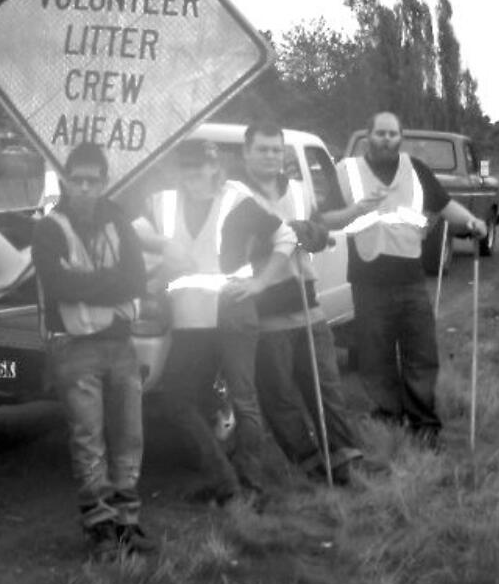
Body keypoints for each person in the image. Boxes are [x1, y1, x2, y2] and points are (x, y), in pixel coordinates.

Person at [133, 138, 296, 503]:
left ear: (215, 167)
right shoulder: (164, 202)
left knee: (243, 400)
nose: (193, 173)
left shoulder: (236, 200)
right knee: (178, 400)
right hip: (190, 318)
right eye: (186, 167)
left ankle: (251, 486)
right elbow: (133, 231)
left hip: (233, 312)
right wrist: (162, 243)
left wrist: (262, 282)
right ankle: (226, 480)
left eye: (200, 165)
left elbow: (285, 236)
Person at [321, 111, 487, 449]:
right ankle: (389, 416)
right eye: (380, 133)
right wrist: (355, 211)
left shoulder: (416, 169)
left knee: (421, 354)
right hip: (368, 281)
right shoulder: (346, 172)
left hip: (411, 279)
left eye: (392, 133)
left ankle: (423, 423)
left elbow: (443, 205)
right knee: (375, 355)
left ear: (400, 137)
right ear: (368, 135)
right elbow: (325, 218)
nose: (386, 139)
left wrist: (471, 222)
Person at [32, 143, 153, 559]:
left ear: (104, 183)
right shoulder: (49, 229)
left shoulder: (118, 221)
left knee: (129, 435)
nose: (84, 187)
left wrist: (86, 282)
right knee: (89, 438)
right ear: (66, 181)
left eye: (92, 180)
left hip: (120, 344)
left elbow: (136, 281)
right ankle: (100, 526)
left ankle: (127, 522)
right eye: (77, 180)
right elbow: (58, 285)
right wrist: (109, 283)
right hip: (74, 347)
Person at [235, 122, 363, 482]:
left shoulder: (299, 190)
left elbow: (320, 234)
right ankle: (308, 464)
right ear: (246, 153)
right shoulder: (236, 195)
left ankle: (344, 460)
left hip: (308, 306)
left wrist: (308, 233)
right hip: (265, 310)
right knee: (280, 400)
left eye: (276, 150)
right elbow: (230, 251)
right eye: (262, 149)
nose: (271, 156)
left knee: (328, 390)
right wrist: (278, 237)